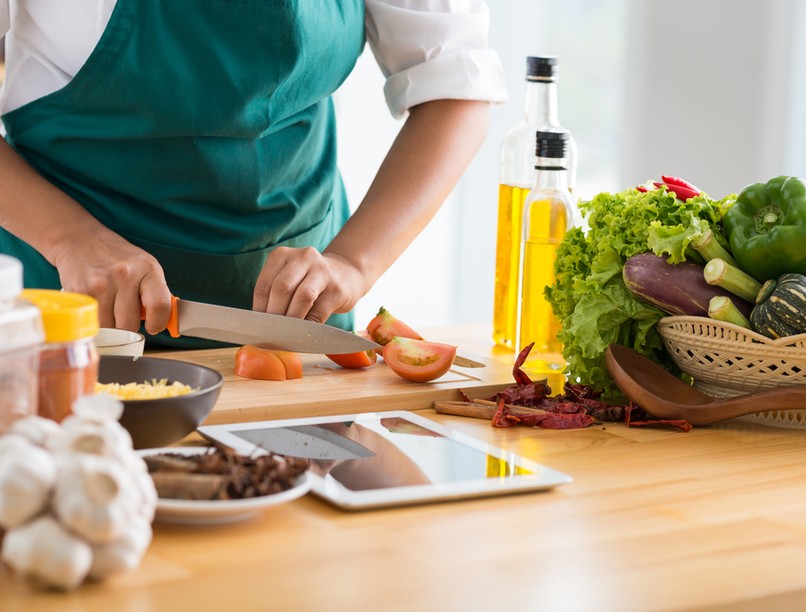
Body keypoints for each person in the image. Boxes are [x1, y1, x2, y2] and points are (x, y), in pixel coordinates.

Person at [0, 1, 508, 347]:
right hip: (67, 306)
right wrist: (71, 240)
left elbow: (455, 90)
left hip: (296, 325)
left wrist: (352, 263)